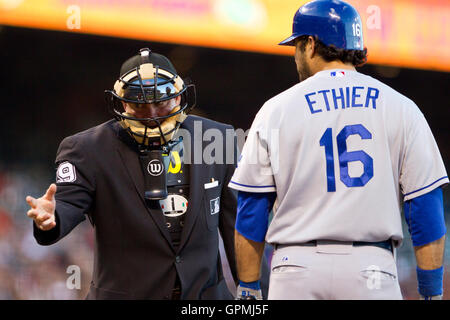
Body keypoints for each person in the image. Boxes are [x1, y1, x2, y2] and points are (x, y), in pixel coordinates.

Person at [229, 0, 447, 300]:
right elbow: (426, 209)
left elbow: (251, 209)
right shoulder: (402, 108)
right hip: (372, 270)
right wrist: (431, 292)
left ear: (310, 44)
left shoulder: (275, 110)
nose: (294, 55)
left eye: (296, 45)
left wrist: (249, 287)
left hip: (295, 270)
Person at [25, 48, 269, 299]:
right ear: (122, 103)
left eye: (160, 102)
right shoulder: (87, 149)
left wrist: (257, 289)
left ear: (178, 97)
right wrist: (51, 217)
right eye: (140, 105)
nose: (152, 115)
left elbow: (238, 225)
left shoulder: (216, 139)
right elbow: (66, 204)